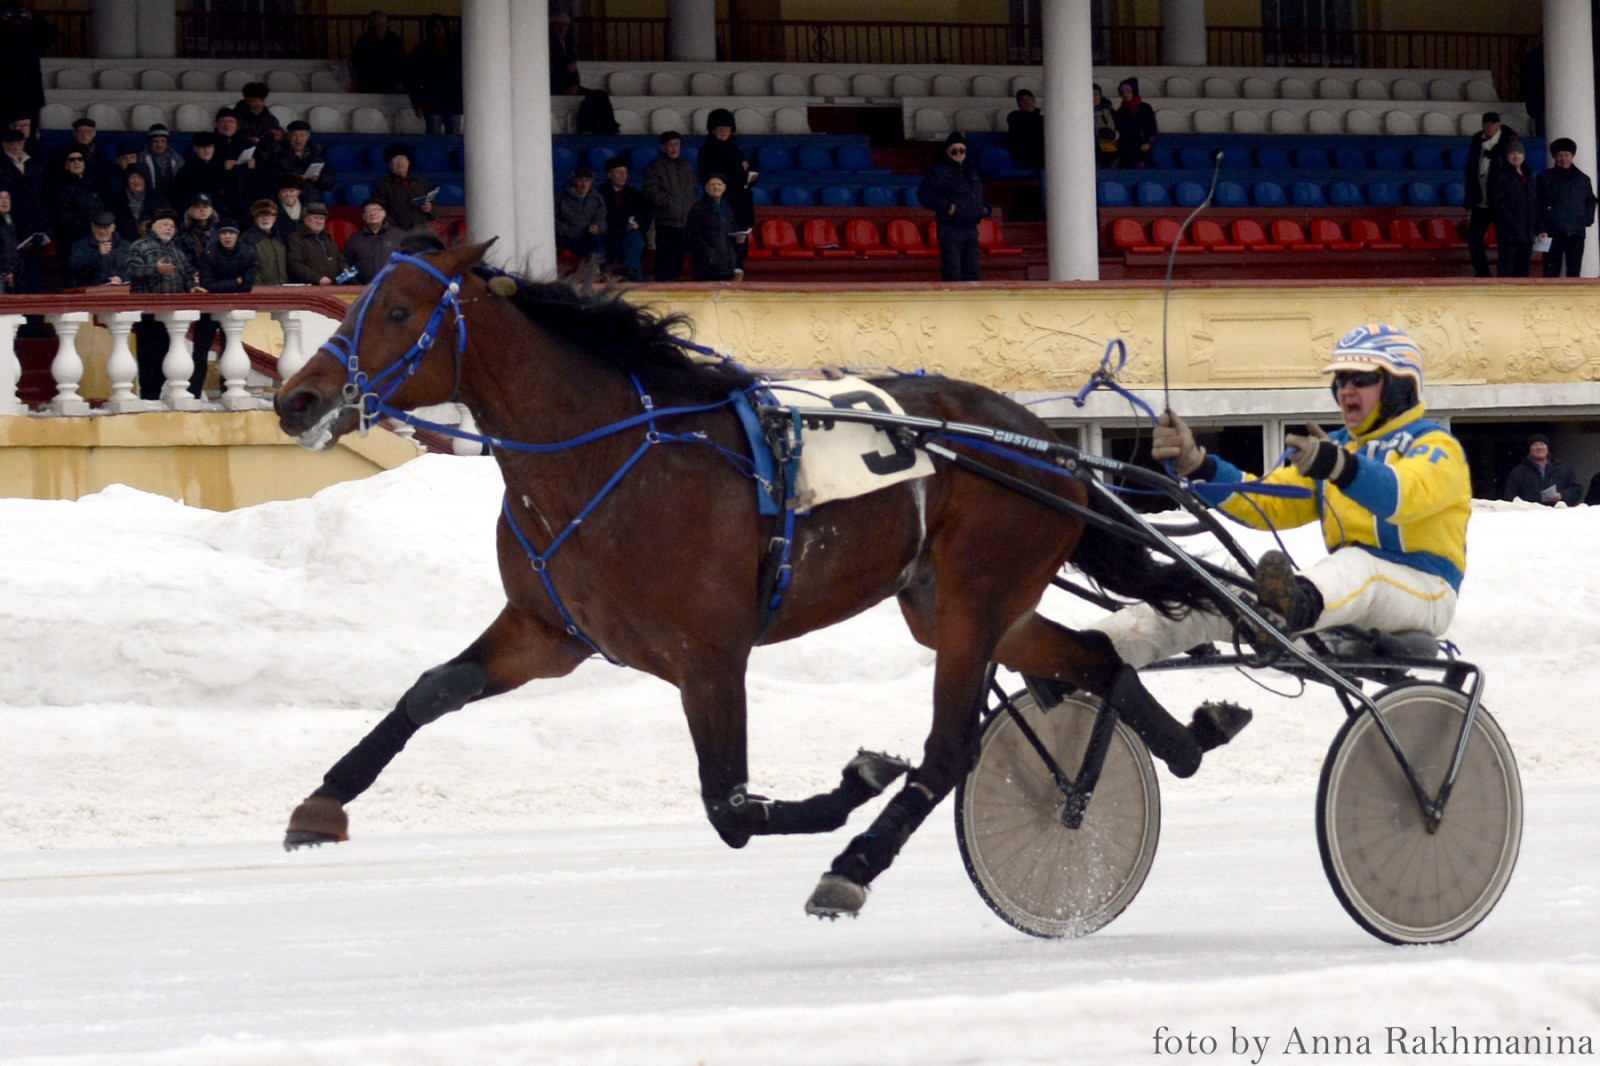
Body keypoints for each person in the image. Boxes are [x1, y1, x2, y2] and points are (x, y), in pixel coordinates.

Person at [1088, 325, 1470, 780]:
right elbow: (1266, 500)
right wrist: (1198, 466)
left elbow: (1401, 497)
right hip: (1337, 598)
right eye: (1340, 380)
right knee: (1215, 585)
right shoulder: (1337, 448)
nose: (1346, 389)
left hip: (1424, 592)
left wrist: (1340, 467)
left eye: (1361, 379)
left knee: (1358, 566)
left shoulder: (1437, 447)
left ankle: (1290, 605)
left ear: (1400, 386)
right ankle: (1095, 650)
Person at [125, 207, 201, 400]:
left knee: (166, 358)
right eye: (165, 224)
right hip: (148, 315)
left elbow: (186, 273)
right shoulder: (140, 246)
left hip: (171, 317)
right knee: (148, 359)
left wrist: (192, 286)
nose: (169, 229)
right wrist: (155, 269)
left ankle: (157, 395)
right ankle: (148, 397)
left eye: (172, 226)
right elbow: (132, 270)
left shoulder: (176, 251)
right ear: (154, 226)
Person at [917, 131, 987, 282]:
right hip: (950, 229)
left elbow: (977, 195)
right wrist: (947, 207)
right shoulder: (939, 172)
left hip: (971, 228)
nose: (958, 154)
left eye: (962, 150)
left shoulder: (972, 172)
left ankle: (970, 305)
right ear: (947, 152)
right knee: (952, 272)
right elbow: (924, 195)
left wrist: (984, 209)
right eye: (954, 151)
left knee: (972, 272)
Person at [697, 108, 754, 259]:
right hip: (719, 204)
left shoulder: (737, 149)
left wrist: (750, 179)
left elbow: (745, 175)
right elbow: (707, 177)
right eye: (719, 128)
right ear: (712, 130)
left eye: (727, 128)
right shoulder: (707, 151)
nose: (723, 131)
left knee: (740, 246)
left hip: (740, 205)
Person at [1536, 136, 1596, 279]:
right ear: (1554, 157)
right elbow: (1537, 204)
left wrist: (1586, 220)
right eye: (1559, 155)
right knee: (1551, 271)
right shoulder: (1544, 177)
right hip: (1552, 232)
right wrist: (1541, 228)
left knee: (1574, 272)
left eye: (1567, 155)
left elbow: (1591, 201)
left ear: (1572, 156)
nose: (1563, 158)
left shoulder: (1583, 179)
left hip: (1576, 233)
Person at [1463, 111, 1512, 278]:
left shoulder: (1509, 141)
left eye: (1493, 124)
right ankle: (1483, 273)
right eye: (1487, 124)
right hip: (1480, 201)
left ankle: (1504, 274)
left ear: (1499, 125)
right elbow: (1470, 171)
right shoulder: (1477, 141)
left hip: (1500, 201)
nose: (1489, 127)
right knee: (1474, 239)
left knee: (1505, 241)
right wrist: (1469, 201)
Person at [643, 130, 696, 282]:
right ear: (663, 147)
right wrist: (669, 203)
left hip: (684, 221)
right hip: (665, 221)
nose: (674, 148)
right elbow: (650, 191)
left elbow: (692, 189)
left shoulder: (687, 166)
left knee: (679, 257)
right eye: (670, 145)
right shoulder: (655, 167)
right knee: (664, 258)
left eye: (676, 144)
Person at [0, 1, 55, 132]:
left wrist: (33, 20)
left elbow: (48, 39)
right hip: (3, 83)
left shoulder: (33, 20)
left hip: (29, 88)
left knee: (28, 130)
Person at [1488, 137, 1538, 277]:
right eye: (1512, 153)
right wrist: (1512, 222)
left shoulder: (1529, 176)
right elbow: (1497, 204)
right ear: (1506, 156)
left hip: (1527, 233)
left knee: (1523, 268)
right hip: (1508, 233)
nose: (1516, 156)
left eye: (1519, 153)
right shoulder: (1499, 176)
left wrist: (1539, 227)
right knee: (1507, 266)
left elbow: (1534, 203)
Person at [407, 14, 464, 136]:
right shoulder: (421, 50)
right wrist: (418, 103)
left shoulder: (456, 49)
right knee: (433, 139)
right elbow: (414, 78)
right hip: (432, 101)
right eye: (435, 26)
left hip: (453, 101)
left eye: (441, 26)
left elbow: (462, 76)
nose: (438, 29)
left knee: (454, 139)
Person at [599, 156, 650, 281]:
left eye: (625, 172)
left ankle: (632, 275)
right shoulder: (599, 194)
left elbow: (645, 218)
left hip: (629, 236)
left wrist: (638, 225)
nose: (623, 175)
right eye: (618, 172)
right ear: (609, 174)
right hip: (608, 236)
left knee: (635, 237)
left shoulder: (636, 195)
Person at [686, 173, 740, 281]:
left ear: (724, 187)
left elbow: (733, 230)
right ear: (706, 188)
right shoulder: (698, 208)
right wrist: (709, 255)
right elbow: (693, 235)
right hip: (707, 264)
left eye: (719, 184)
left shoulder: (728, 208)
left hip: (727, 262)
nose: (716, 187)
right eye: (712, 184)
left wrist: (739, 238)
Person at [371, 141, 436, 232]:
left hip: (421, 231)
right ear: (389, 164)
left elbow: (434, 208)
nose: (399, 162)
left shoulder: (421, 183)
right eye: (395, 159)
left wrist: (429, 209)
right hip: (395, 233)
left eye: (402, 158)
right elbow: (380, 211)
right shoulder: (381, 185)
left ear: (409, 162)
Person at [1502, 433, 1581, 506]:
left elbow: (1577, 491)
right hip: (1530, 515)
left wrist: (1561, 496)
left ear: (1547, 448)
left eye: (1542, 444)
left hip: (1557, 514)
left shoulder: (1563, 469)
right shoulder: (1518, 472)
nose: (1539, 447)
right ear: (1529, 449)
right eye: (1535, 445)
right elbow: (1510, 498)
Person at [52, 146, 105, 253]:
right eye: (72, 160)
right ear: (66, 165)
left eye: (80, 159)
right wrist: (87, 226)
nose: (76, 162)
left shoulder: (93, 185)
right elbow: (62, 215)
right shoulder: (60, 187)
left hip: (94, 237)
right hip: (72, 240)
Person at [269, 120, 336, 203]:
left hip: (312, 199)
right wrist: (295, 179)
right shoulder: (277, 153)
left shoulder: (316, 153)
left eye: (302, 135)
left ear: (308, 137)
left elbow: (330, 181)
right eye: (295, 135)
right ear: (289, 136)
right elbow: (271, 179)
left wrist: (319, 178)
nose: (298, 139)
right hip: (287, 200)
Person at [285, 202, 347, 286]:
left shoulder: (328, 239)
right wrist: (317, 279)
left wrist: (345, 270)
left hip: (332, 287)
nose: (319, 221)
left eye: (321, 218)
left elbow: (340, 260)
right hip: (309, 289)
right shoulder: (296, 239)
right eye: (315, 218)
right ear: (306, 219)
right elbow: (295, 264)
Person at [344, 198, 403, 283]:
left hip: (394, 288)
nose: (372, 213)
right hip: (364, 290)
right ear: (364, 216)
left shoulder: (399, 235)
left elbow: (409, 262)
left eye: (376, 209)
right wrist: (356, 285)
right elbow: (347, 267)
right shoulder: (354, 240)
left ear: (384, 213)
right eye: (368, 210)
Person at [555, 165, 605, 262]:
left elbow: (602, 219)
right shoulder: (561, 197)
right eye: (581, 180)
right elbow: (552, 219)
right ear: (574, 181)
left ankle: (596, 271)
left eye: (587, 180)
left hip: (587, 237)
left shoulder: (597, 198)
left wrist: (597, 227)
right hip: (567, 238)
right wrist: (565, 230)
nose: (584, 184)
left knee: (597, 244)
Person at [65, 210, 128, 287]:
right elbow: (76, 268)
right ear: (92, 228)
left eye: (106, 228)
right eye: (98, 227)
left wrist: (122, 278)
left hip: (120, 291)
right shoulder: (81, 246)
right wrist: (97, 254)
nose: (102, 231)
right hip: (90, 291)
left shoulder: (125, 245)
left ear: (113, 228)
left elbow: (132, 269)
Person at [351, 9, 407, 94]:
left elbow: (403, 64)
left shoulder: (396, 42)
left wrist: (401, 81)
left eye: (381, 25)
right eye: (375, 26)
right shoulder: (363, 43)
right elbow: (362, 68)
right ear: (370, 26)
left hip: (395, 84)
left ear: (386, 24)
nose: (378, 29)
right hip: (372, 84)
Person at [1112, 77, 1157, 168]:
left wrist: (1149, 142)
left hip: (1141, 147)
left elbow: (1151, 126)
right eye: (1122, 92)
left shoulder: (1144, 108)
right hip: (1125, 149)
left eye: (1128, 91)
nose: (1125, 94)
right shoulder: (1120, 111)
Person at [112, 167, 166, 241]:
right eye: (132, 177)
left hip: (152, 240)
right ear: (127, 180)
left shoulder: (158, 199)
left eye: (140, 177)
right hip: (124, 242)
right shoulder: (118, 201)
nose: (136, 181)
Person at [243, 197, 288, 285]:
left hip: (283, 289)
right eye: (261, 215)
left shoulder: (280, 238)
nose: (265, 218)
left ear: (275, 218)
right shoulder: (247, 239)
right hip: (261, 292)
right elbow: (248, 269)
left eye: (269, 215)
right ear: (255, 218)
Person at [233, 82, 283, 148]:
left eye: (261, 100)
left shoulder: (270, 118)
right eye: (254, 100)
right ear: (246, 100)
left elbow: (280, 133)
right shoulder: (234, 117)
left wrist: (279, 135)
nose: (258, 104)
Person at [1005, 89, 1044, 171]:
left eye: (1028, 99)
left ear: (1034, 100)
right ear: (1019, 104)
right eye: (1023, 100)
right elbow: (1022, 134)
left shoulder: (1042, 117)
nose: (1026, 103)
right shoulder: (1014, 116)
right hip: (1024, 153)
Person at [549, 10, 580, 95]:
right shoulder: (548, 44)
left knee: (599, 95)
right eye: (557, 25)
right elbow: (551, 73)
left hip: (569, 87)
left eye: (565, 25)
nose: (561, 28)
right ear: (551, 26)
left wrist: (575, 85)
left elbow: (573, 69)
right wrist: (566, 71)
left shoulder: (569, 44)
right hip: (554, 88)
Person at [1092, 84, 1118, 169]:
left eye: (1096, 94)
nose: (1093, 97)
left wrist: (1114, 135)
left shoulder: (1111, 113)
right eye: (1091, 94)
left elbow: (1122, 130)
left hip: (1111, 146)